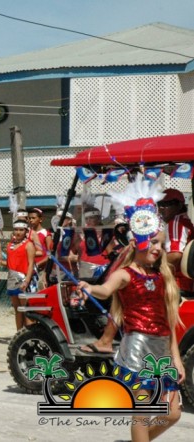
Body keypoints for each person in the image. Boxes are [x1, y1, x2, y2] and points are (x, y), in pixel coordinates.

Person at [77, 178, 183, 441]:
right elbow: (106, 289)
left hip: (161, 347)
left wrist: (177, 358)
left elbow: (169, 323)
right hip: (137, 346)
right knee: (142, 412)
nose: (158, 249)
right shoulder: (126, 274)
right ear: (137, 241)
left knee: (173, 413)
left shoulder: (162, 278)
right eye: (154, 242)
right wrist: (90, 289)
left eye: (162, 244)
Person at [1, 219, 36, 330]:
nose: (18, 232)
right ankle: (19, 333)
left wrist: (27, 281)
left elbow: (31, 264)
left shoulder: (29, 245)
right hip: (12, 279)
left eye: (21, 230)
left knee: (26, 309)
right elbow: (10, 263)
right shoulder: (10, 245)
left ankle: (30, 334)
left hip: (23, 279)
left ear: (26, 231)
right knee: (17, 309)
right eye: (16, 229)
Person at [158, 188, 194, 297]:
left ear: (179, 205)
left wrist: (153, 269)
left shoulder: (176, 223)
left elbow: (175, 255)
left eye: (168, 203)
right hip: (185, 282)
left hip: (177, 283)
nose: (162, 208)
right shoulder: (184, 221)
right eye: (160, 203)